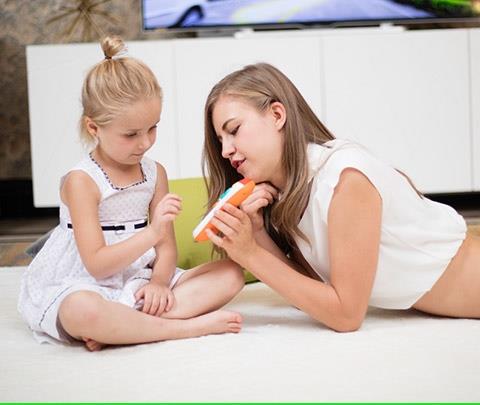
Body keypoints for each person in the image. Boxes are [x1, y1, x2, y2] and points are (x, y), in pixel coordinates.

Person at [201, 62, 480, 332]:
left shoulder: (345, 180)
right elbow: (310, 294)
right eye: (221, 140)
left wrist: (250, 254)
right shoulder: (292, 193)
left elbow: (346, 315)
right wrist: (258, 234)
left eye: (234, 130)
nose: (226, 151)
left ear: (277, 115)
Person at [18, 36, 244, 351]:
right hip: (86, 284)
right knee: (83, 311)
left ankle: (123, 327)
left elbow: (166, 249)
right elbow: (97, 265)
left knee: (231, 273)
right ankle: (182, 328)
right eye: (131, 134)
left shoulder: (154, 173)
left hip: (138, 280)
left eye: (153, 128)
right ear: (94, 128)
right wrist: (152, 232)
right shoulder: (82, 181)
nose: (145, 142)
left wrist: (159, 284)